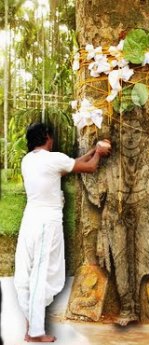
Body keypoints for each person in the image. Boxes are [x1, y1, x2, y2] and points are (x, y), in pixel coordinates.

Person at [14, 122, 111, 342]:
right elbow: (89, 167)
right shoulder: (52, 159)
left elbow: (73, 164)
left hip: (30, 219)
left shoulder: (28, 160)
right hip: (46, 223)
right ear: (47, 136)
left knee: (26, 274)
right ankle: (36, 332)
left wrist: (93, 150)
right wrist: (99, 153)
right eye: (52, 135)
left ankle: (30, 326)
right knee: (41, 274)